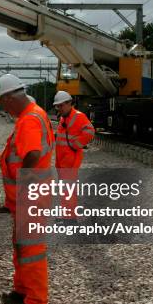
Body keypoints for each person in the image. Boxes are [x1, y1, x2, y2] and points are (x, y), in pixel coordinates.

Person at [0, 73, 55, 304]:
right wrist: (1, 158)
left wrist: (24, 185)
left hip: (31, 196)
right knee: (21, 245)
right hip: (31, 195)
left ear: (10, 97)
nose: (4, 108)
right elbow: (21, 155)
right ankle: (22, 291)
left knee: (31, 249)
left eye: (3, 102)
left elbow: (32, 154)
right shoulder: (35, 113)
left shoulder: (29, 119)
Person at [52, 90, 95, 220]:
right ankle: (66, 215)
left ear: (69, 103)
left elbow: (90, 131)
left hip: (70, 159)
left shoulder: (78, 116)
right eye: (57, 106)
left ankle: (70, 218)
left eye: (61, 105)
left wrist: (75, 144)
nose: (59, 108)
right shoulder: (63, 117)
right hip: (62, 159)